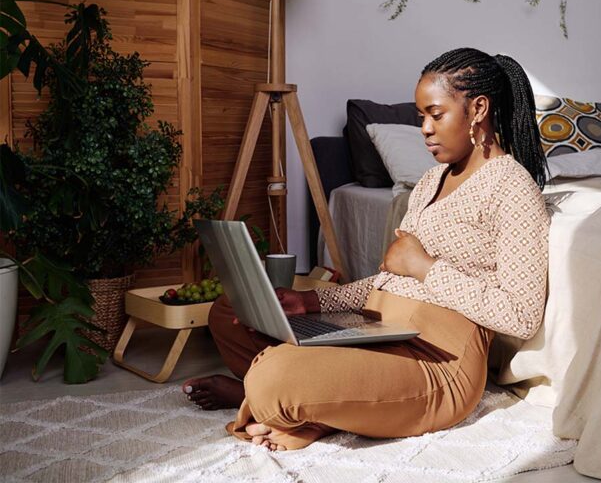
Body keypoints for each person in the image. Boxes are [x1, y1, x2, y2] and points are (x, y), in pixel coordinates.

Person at [182, 47, 550, 451]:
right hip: (375, 330)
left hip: (435, 362)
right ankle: (306, 404)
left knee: (274, 374)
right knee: (231, 312)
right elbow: (391, 280)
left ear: (478, 109)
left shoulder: (513, 189)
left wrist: (425, 266)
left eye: (436, 114)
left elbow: (520, 316)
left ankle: (264, 396)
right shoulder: (431, 181)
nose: (425, 129)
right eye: (421, 117)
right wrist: (313, 302)